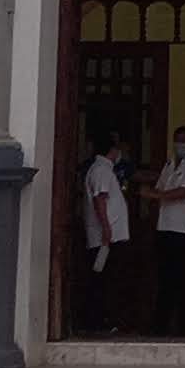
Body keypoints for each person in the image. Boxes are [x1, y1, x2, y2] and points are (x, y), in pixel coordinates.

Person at [148, 123, 185, 336]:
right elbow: (162, 187)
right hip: (165, 227)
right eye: (177, 139)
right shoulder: (170, 164)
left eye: (183, 140)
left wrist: (154, 196)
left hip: (183, 230)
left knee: (182, 279)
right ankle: (160, 325)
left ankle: (184, 326)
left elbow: (182, 192)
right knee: (165, 278)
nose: (179, 144)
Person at [79, 129, 132, 335]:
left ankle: (100, 319)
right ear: (112, 149)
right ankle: (99, 321)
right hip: (106, 237)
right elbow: (100, 199)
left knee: (104, 280)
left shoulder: (102, 168)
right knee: (103, 281)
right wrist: (107, 229)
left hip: (107, 236)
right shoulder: (101, 170)